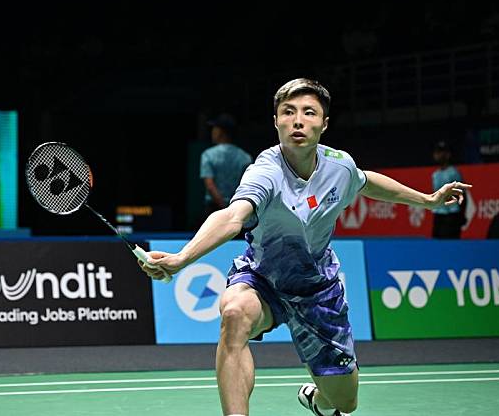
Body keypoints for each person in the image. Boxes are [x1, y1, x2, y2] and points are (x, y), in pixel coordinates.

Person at [139, 78, 471, 416]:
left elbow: (366, 180)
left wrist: (427, 201)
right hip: (262, 279)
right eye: (288, 112)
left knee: (345, 401)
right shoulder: (265, 172)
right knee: (235, 314)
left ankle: (318, 399)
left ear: (323, 124)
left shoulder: (339, 166)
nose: (298, 120)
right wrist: (183, 257)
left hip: (318, 289)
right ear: (276, 121)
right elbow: (231, 217)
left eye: (309, 112)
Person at [200, 113, 252, 221]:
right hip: (238, 208)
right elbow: (247, 185)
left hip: (213, 209)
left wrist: (223, 206)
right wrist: (231, 209)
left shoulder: (208, 155)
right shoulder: (245, 157)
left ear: (220, 132)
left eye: (214, 129)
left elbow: (210, 185)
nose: (212, 132)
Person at [431, 140, 467, 239]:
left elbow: (462, 195)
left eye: (442, 152)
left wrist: (462, 215)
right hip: (438, 215)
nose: (439, 155)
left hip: (452, 215)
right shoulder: (435, 175)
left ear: (448, 155)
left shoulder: (454, 173)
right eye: (437, 152)